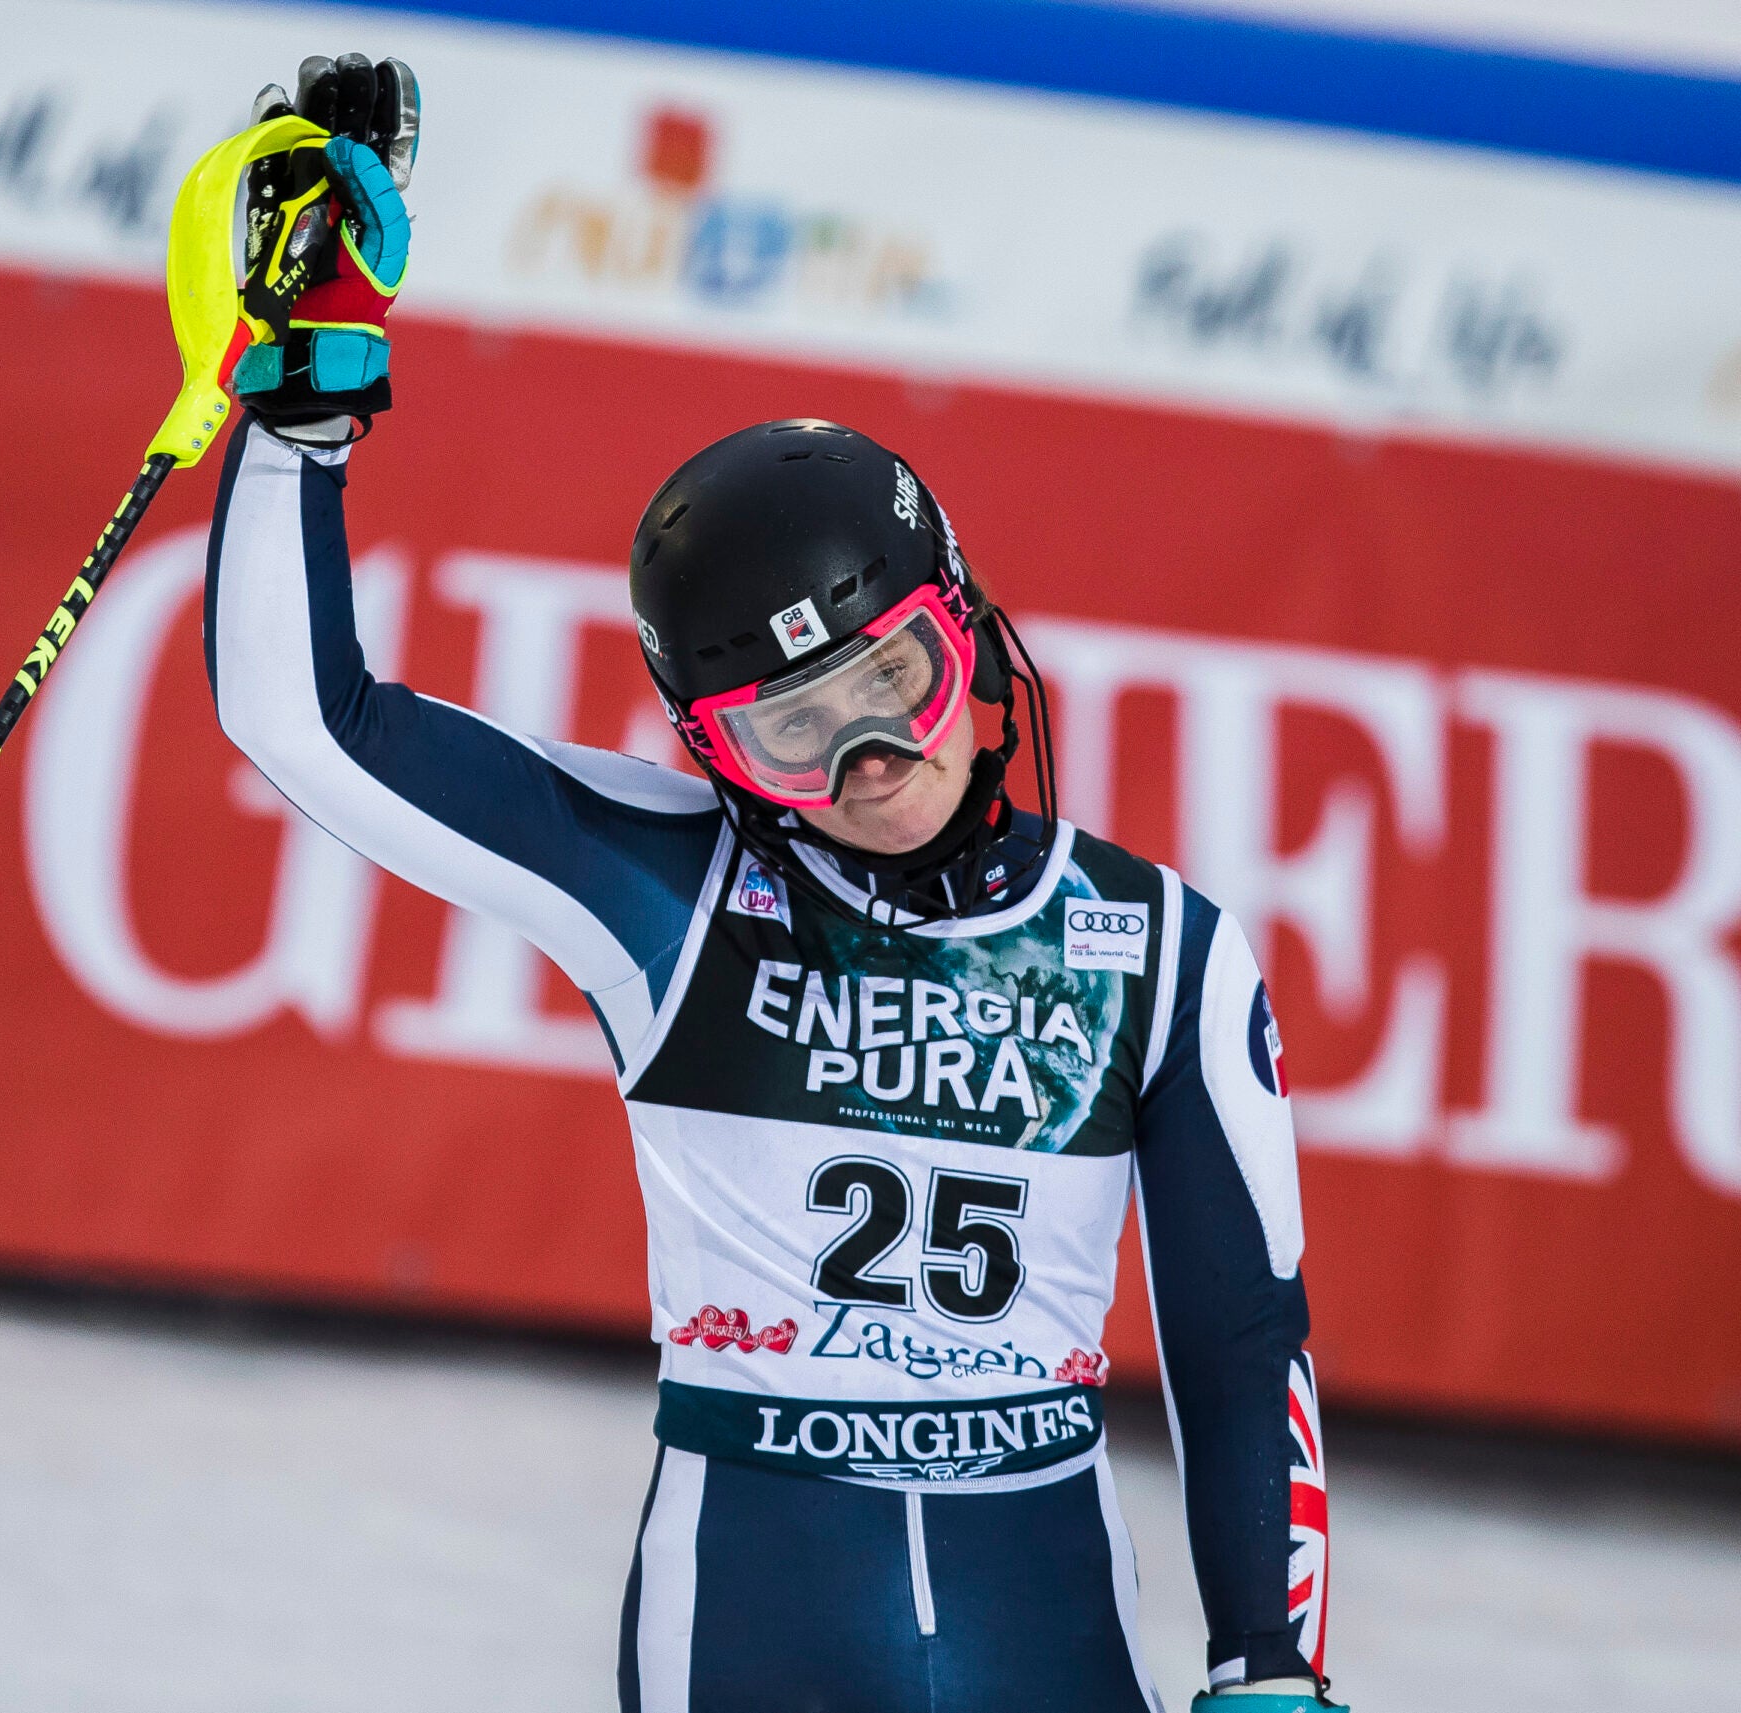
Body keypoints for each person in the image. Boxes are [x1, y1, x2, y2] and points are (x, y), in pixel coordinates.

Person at [206, 54, 1341, 1713]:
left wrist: (1271, 1669)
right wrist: (305, 402)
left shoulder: (1158, 947)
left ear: (974, 637)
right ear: (711, 750)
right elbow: (308, 720)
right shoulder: (659, 886)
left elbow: (1246, 1352)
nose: (866, 760)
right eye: (790, 732)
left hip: (1044, 1618)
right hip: (748, 1606)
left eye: (898, 681)